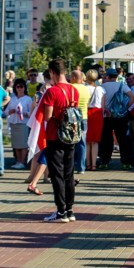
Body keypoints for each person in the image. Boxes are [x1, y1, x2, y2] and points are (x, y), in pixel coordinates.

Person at [34, 58, 80, 223]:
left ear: (52, 72)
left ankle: (60, 212)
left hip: (55, 135)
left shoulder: (52, 91)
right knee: (69, 174)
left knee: (57, 175)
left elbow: (47, 115)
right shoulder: (74, 90)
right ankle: (70, 209)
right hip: (71, 136)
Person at [98, 69, 134, 170]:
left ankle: (104, 161)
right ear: (116, 77)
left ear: (108, 76)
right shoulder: (122, 85)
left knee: (106, 139)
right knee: (123, 140)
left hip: (107, 116)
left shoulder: (102, 87)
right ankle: (126, 162)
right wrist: (126, 108)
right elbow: (133, 97)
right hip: (120, 116)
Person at [4, 78, 34, 170]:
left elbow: (32, 113)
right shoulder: (12, 99)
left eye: (21, 86)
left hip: (23, 123)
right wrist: (11, 111)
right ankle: (18, 161)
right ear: (15, 88)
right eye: (18, 87)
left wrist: (25, 113)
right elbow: (5, 111)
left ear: (24, 88)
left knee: (23, 144)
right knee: (16, 144)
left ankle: (22, 161)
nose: (20, 88)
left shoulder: (28, 99)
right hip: (14, 123)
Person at [68, 70, 92, 174]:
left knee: (71, 142)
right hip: (84, 117)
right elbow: (88, 103)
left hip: (73, 117)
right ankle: (82, 167)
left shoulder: (71, 87)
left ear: (73, 77)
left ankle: (71, 166)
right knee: (82, 143)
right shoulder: (86, 89)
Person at [84, 69, 104, 172]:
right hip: (97, 114)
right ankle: (94, 165)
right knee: (95, 141)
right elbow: (103, 106)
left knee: (87, 141)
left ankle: (87, 163)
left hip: (86, 113)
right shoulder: (100, 89)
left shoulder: (84, 88)